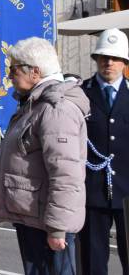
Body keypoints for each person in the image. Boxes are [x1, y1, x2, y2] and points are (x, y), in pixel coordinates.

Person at [0, 37, 89, 275]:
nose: (9, 76)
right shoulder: (35, 105)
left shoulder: (56, 109)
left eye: (13, 69)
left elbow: (66, 174)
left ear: (35, 72)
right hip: (34, 218)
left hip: (47, 225)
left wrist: (57, 228)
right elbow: (7, 154)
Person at [81, 28, 129, 275]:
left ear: (124, 62)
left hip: (127, 192)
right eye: (103, 57)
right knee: (92, 262)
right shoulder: (80, 94)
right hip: (92, 191)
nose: (108, 62)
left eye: (114, 58)